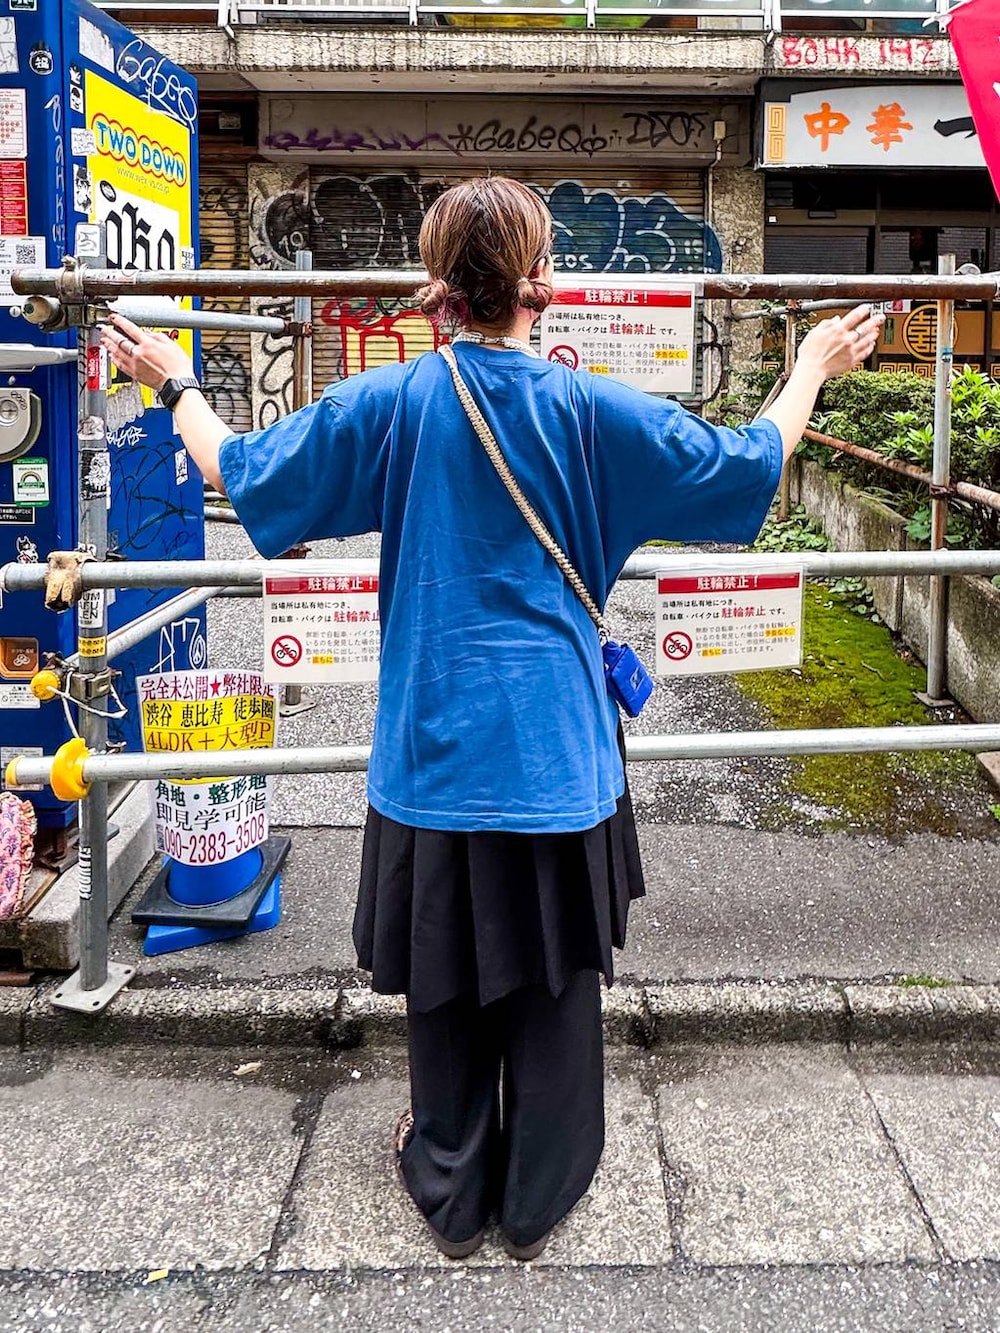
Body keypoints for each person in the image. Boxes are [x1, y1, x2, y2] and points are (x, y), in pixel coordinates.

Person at [101, 177, 884, 1263]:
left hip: (430, 750)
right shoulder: (592, 409)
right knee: (556, 982)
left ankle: (451, 1179)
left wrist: (176, 379)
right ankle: (540, 1189)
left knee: (443, 975)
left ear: (437, 287)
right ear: (540, 281)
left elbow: (245, 475)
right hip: (558, 754)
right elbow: (746, 468)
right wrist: (810, 366)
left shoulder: (387, 402)